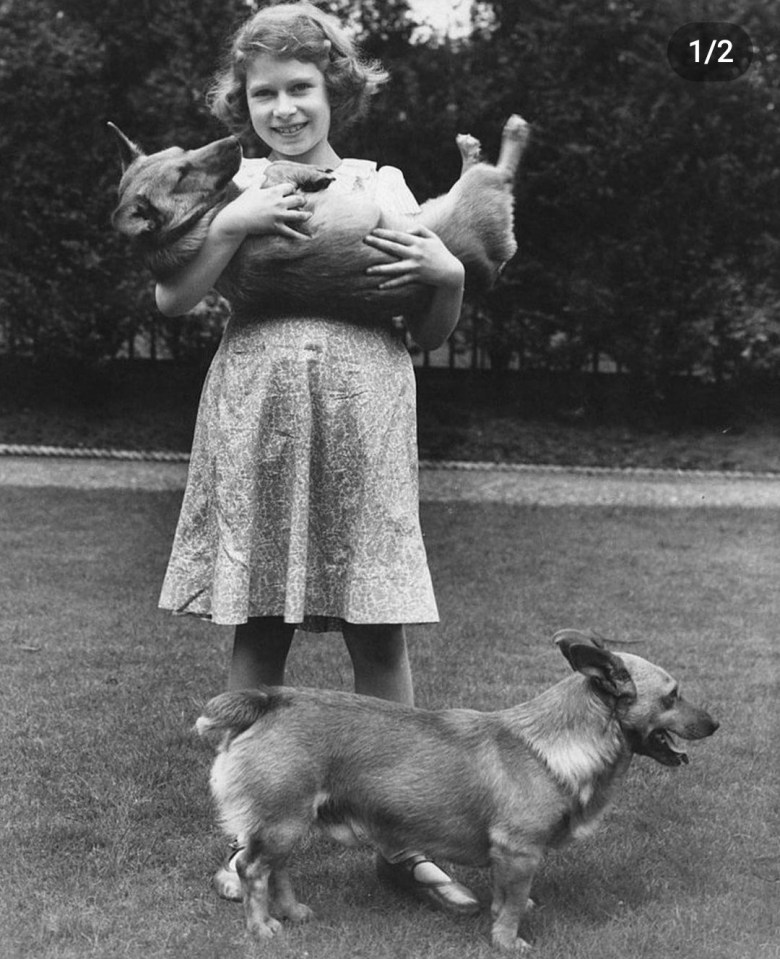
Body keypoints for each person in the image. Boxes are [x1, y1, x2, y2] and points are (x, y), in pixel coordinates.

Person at [156, 1, 478, 916]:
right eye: (266, 92)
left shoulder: (385, 184)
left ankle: (404, 840)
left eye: (302, 87)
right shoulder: (224, 185)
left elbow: (426, 330)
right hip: (258, 407)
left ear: (335, 91)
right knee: (262, 620)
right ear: (243, 101)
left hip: (367, 405)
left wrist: (448, 279)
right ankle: (245, 843)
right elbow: (172, 298)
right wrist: (229, 225)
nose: (285, 107)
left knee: (379, 624)